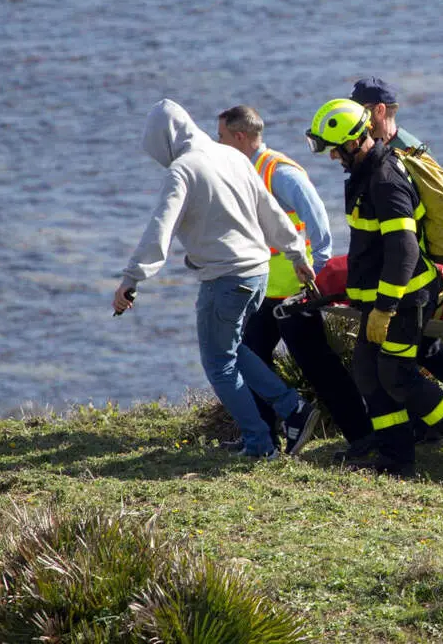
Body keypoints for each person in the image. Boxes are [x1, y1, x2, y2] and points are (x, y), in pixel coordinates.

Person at [305, 98, 443, 480]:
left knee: (396, 374)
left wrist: (385, 308)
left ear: (353, 142)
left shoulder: (385, 180)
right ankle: (396, 457)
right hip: (383, 299)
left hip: (405, 299)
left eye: (335, 150)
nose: (332, 158)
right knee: (368, 371)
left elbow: (404, 249)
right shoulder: (365, 173)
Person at [113, 99, 317, 459]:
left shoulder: (183, 169)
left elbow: (160, 230)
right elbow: (270, 211)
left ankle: (259, 443)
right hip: (258, 273)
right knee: (233, 349)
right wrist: (297, 254)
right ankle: (294, 409)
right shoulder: (232, 156)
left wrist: (131, 279)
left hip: (226, 279)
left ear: (166, 139)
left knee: (218, 363)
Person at [216, 105, 375, 462]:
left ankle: (363, 438)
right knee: (252, 357)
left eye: (222, 136)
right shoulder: (244, 169)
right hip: (264, 290)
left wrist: (316, 273)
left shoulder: (279, 172)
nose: (217, 142)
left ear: (239, 137)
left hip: (294, 292)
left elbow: (318, 220)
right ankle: (262, 438)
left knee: (318, 365)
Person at [348, 77, 443, 425]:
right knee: (427, 350)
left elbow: (408, 229)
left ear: (379, 111)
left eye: (361, 113)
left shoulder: (398, 155)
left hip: (414, 276)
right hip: (414, 273)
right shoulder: (400, 148)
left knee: (407, 360)